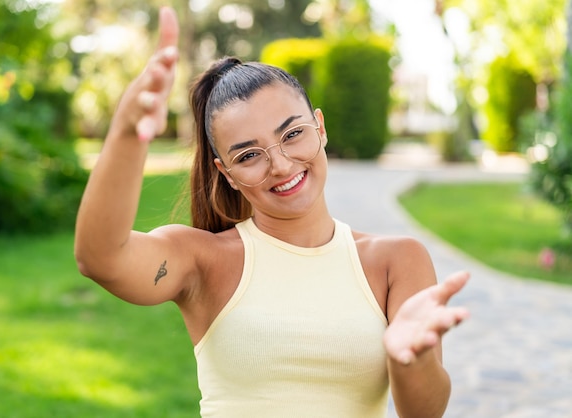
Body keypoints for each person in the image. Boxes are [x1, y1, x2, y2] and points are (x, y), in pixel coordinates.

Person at [74, 6, 470, 418]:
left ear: (320, 126)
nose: (280, 164)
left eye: (293, 134)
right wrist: (125, 131)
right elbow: (101, 258)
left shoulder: (397, 262)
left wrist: (412, 358)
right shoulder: (203, 260)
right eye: (249, 155)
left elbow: (423, 414)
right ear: (225, 173)